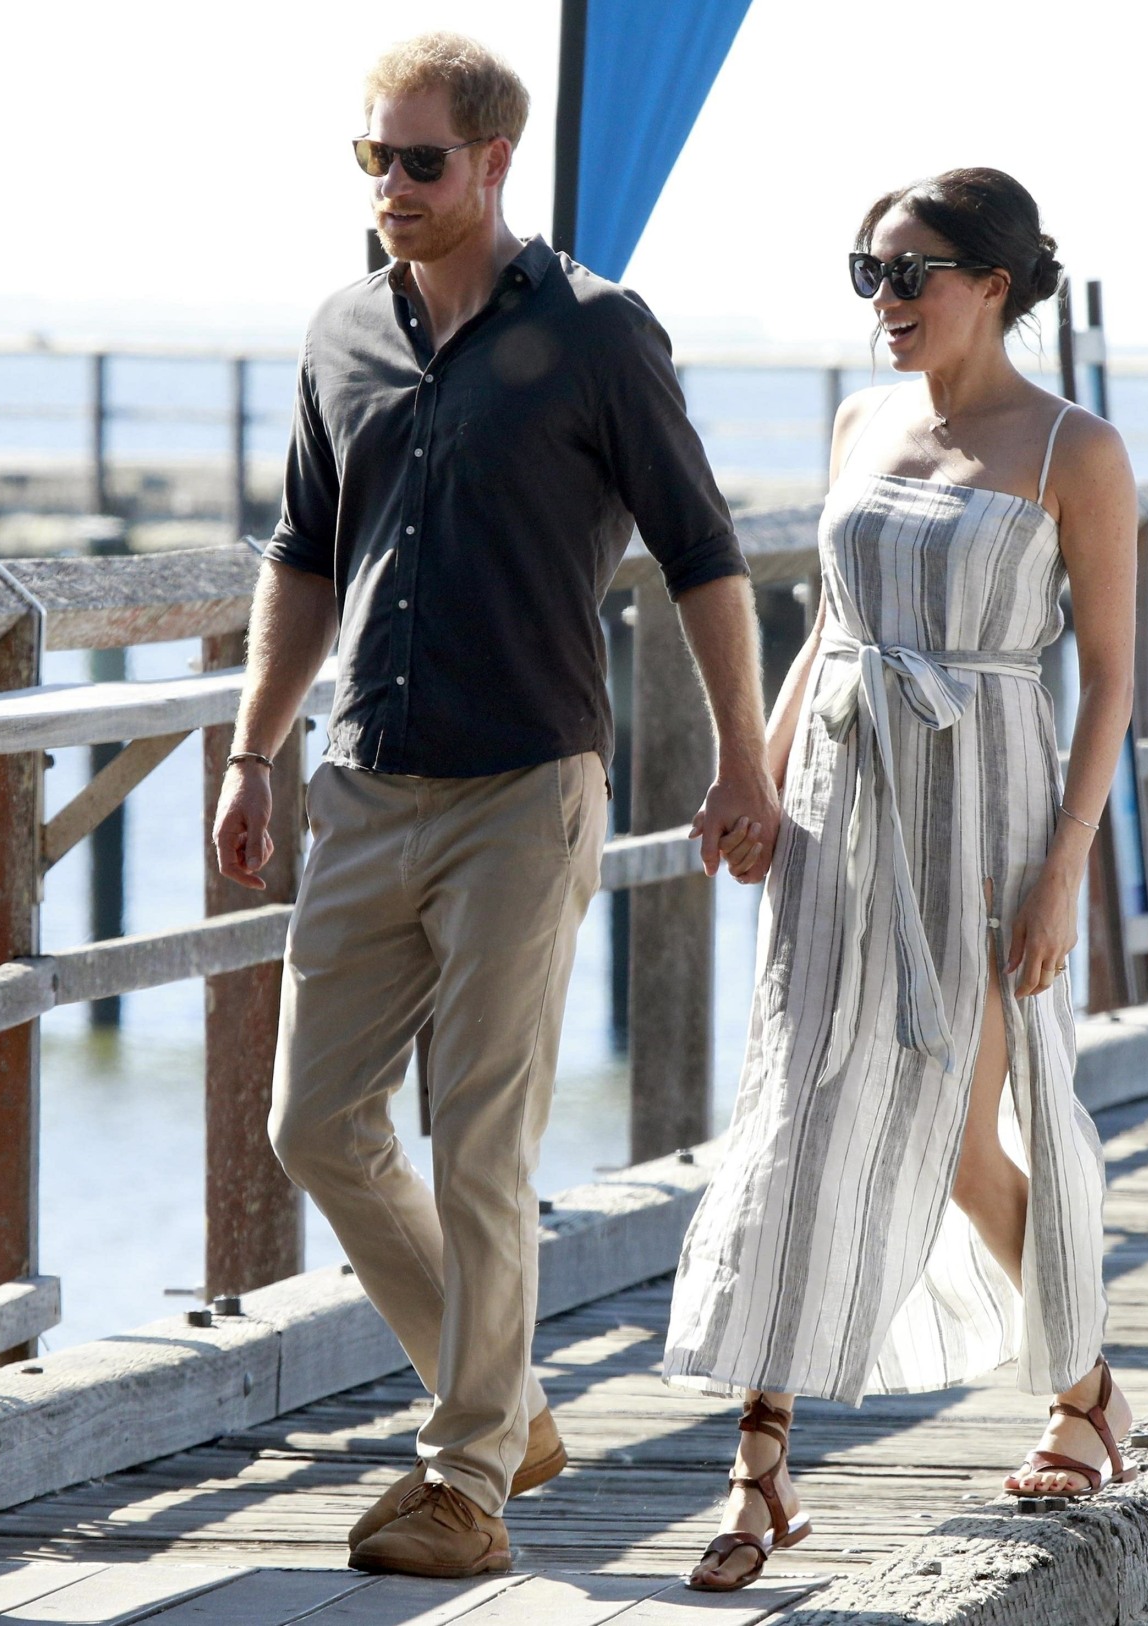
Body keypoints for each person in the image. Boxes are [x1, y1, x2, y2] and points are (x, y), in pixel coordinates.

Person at [212, 29, 779, 1583]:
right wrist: (256, 751)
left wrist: (742, 756)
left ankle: (463, 1474)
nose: (390, 187)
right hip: (361, 777)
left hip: (528, 783)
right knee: (314, 1123)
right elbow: (303, 555)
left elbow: (705, 555)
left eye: (418, 161)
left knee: (479, 1133)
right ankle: (509, 1395)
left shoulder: (598, 333)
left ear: (494, 160)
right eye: (371, 159)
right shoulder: (341, 332)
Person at [663, 168, 1141, 1591]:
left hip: (986, 818)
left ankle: (1087, 1384)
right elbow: (829, 629)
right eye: (867, 272)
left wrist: (1064, 871)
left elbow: (1112, 680)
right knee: (796, 1110)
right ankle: (760, 1467)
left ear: (995, 282)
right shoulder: (861, 419)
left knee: (954, 1131)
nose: (886, 301)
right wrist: (752, 771)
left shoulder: (1074, 449)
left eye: (913, 272)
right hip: (836, 807)